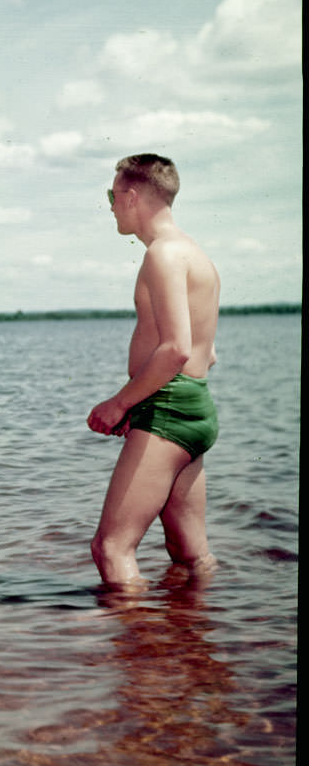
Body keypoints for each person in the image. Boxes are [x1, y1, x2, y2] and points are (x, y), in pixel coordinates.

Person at [87, 154, 220, 587]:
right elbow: (208, 353)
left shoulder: (163, 255)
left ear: (131, 196)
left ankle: (137, 647)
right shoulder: (195, 253)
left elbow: (177, 349)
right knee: (190, 553)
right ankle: (193, 641)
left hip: (166, 410)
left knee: (111, 547)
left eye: (112, 196)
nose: (110, 207)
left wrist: (119, 403)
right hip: (194, 409)